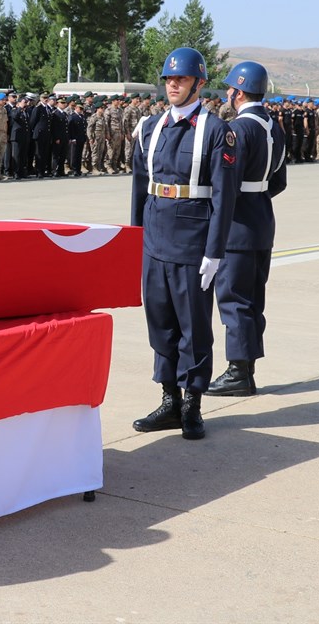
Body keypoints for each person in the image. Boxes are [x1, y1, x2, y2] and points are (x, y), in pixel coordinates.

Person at [130, 47, 234, 440]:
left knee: (193, 326)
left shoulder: (215, 130)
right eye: (169, 79)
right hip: (155, 237)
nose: (173, 85)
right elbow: (140, 188)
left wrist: (215, 251)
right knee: (160, 322)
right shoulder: (150, 127)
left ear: (199, 84)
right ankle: (169, 398)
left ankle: (192, 403)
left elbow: (224, 197)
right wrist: (133, 237)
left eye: (182, 79)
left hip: (193, 241)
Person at [207, 61, 288, 398]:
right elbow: (279, 182)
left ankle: (239, 371)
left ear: (238, 92)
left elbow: (226, 183)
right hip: (261, 217)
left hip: (237, 222)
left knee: (234, 299)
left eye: (230, 88)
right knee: (253, 299)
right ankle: (247, 367)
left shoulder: (238, 129)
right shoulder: (274, 126)